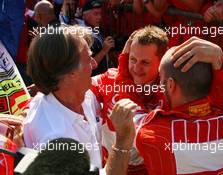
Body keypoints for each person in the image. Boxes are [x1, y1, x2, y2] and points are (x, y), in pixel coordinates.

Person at [92, 26, 223, 174]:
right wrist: (220, 64)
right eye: (132, 59)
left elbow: (128, 118)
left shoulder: (165, 116)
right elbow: (74, 95)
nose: (136, 67)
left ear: (161, 64)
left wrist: (124, 68)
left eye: (145, 62)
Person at [23, 26, 137, 175]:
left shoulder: (83, 94)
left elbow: (110, 81)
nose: (95, 64)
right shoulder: (56, 139)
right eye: (89, 59)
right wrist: (123, 140)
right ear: (70, 72)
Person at [133, 37, 223, 175]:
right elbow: (220, 95)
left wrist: (124, 61)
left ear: (170, 85)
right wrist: (220, 62)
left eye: (161, 79)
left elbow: (126, 110)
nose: (159, 86)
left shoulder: (154, 133)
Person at [82, 0, 115, 76]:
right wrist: (104, 50)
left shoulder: (97, 29)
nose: (99, 17)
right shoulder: (82, 35)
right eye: (95, 14)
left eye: (100, 14)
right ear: (84, 15)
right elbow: (88, 65)